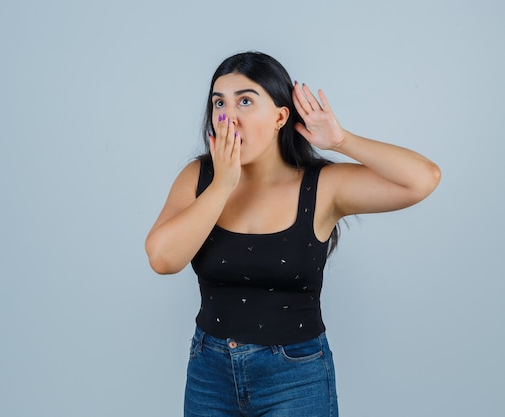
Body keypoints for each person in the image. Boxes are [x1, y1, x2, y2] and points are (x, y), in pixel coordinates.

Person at [145, 51, 440, 417]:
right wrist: (222, 185)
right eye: (219, 102)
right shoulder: (200, 178)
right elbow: (162, 258)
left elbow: (423, 179)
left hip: (295, 377)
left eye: (246, 101)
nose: (229, 116)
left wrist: (341, 140)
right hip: (210, 371)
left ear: (280, 117)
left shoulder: (322, 188)